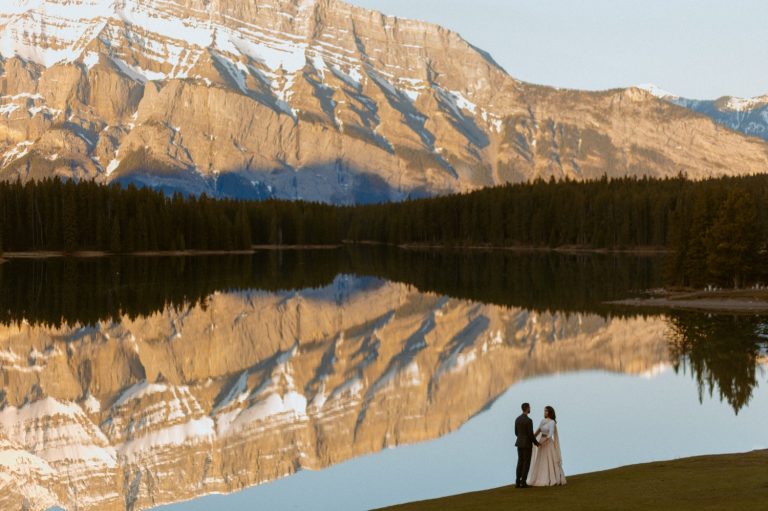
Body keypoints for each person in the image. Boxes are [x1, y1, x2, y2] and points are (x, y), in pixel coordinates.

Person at [527, 405, 567, 487]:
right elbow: (538, 431)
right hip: (541, 442)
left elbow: (550, 434)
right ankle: (540, 477)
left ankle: (552, 478)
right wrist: (532, 438)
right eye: (544, 411)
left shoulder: (552, 422)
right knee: (541, 460)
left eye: (546, 411)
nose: (544, 412)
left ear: (550, 412)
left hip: (547, 443)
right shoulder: (542, 421)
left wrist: (542, 442)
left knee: (550, 460)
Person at [514, 402, 539, 488]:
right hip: (527, 444)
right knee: (526, 463)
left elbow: (516, 432)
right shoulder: (529, 421)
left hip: (519, 443)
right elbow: (530, 434)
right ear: (527, 408)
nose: (530, 409)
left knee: (520, 462)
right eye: (529, 407)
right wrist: (536, 443)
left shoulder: (517, 419)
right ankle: (523, 482)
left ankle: (517, 481)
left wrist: (521, 438)